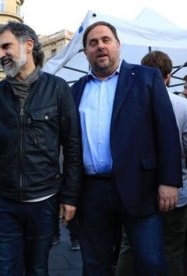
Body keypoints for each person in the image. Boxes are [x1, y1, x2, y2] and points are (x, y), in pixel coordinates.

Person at [0, 21, 82, 275]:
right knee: (7, 269)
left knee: (38, 268)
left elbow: (72, 146)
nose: (0, 54)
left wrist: (70, 197)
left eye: (6, 46)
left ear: (28, 45)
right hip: (5, 202)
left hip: (44, 200)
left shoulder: (58, 89)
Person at [71, 21, 182, 275]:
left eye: (106, 40)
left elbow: (166, 132)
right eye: (93, 43)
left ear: (118, 45)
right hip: (92, 191)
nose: (100, 46)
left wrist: (169, 182)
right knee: (95, 265)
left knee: (151, 263)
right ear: (86, 52)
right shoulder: (76, 90)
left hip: (140, 187)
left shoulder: (146, 77)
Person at [116, 50, 187, 276]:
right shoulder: (183, 105)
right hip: (179, 190)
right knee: (172, 250)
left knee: (130, 247)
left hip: (139, 189)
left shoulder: (132, 102)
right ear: (167, 76)